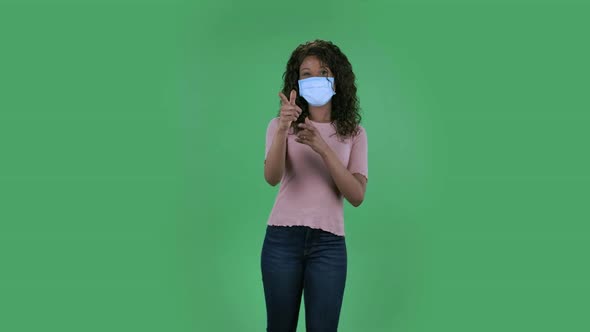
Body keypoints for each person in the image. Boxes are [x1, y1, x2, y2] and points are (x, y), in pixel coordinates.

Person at [260, 39, 368, 332]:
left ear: (337, 80)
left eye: (323, 72)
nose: (315, 79)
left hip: (329, 246)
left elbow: (356, 195)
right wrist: (283, 129)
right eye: (306, 74)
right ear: (296, 82)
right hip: (281, 241)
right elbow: (272, 177)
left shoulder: (355, 133)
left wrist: (323, 148)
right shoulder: (279, 125)